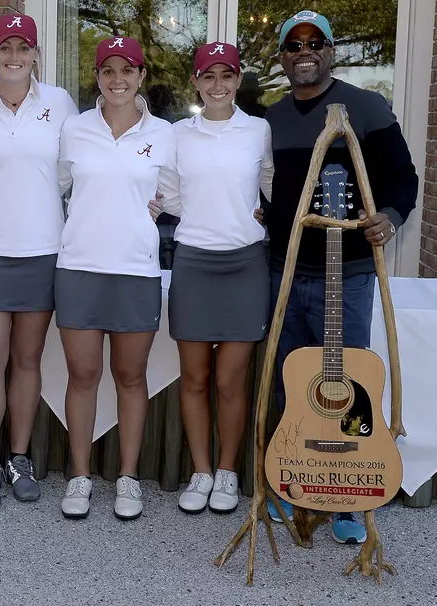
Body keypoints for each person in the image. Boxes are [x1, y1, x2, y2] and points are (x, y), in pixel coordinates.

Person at [261, 11, 418, 543]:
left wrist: (391, 217)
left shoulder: (366, 108)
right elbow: (261, 185)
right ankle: (295, 482)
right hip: (282, 272)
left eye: (316, 42)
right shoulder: (272, 118)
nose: (304, 51)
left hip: (345, 275)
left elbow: (402, 176)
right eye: (293, 44)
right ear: (282, 56)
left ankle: (350, 492)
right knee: (290, 383)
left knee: (349, 387)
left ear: (331, 50)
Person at [0, 13, 79, 510]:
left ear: (35, 54)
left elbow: (69, 173)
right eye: (5, 47)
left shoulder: (60, 104)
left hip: (43, 249)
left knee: (27, 360)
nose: (13, 57)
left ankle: (19, 458)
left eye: (22, 48)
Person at [55, 37, 175, 520]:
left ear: (141, 76)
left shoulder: (165, 133)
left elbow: (175, 195)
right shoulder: (74, 129)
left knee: (130, 377)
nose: (117, 79)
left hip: (135, 271)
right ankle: (79, 476)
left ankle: (127, 479)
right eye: (108, 70)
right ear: (98, 77)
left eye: (127, 70)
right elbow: (59, 187)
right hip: (80, 268)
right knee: (82, 376)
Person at [157, 42, 273, 516]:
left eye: (227, 76)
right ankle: (201, 472)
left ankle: (227, 472)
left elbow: (272, 182)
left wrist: (255, 218)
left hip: (246, 264)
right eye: (209, 77)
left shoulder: (259, 130)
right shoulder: (177, 134)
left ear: (238, 79)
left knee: (230, 380)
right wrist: (207, 218)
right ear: (197, 82)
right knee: (195, 376)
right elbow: (168, 194)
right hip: (195, 262)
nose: (218, 86)